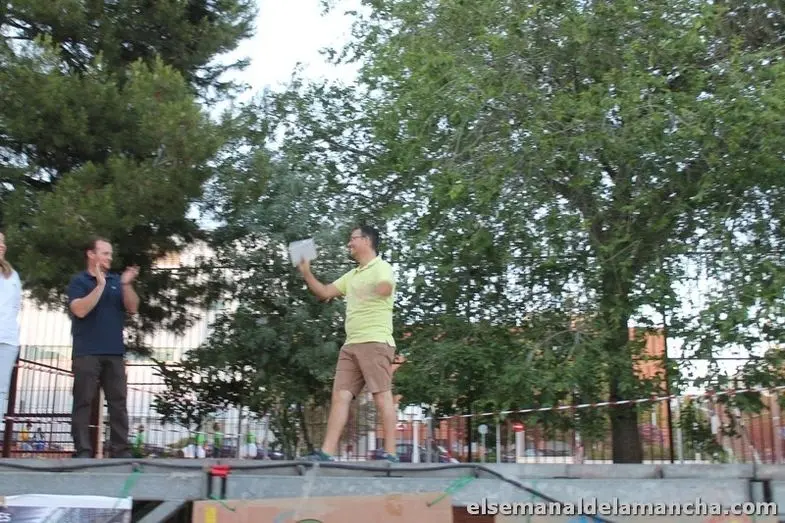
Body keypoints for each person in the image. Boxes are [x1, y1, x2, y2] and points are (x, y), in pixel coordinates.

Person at [297, 225, 399, 462]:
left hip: (375, 342)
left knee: (381, 396)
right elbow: (324, 292)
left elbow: (386, 286)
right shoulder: (352, 275)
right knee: (340, 396)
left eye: (353, 238)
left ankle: (391, 454)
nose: (349, 243)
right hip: (351, 345)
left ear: (366, 241)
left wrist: (381, 288)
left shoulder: (381, 267)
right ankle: (326, 453)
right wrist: (306, 272)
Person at [67, 236, 139, 458]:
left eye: (110, 254)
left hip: (114, 352)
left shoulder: (117, 281)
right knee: (83, 402)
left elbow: (133, 308)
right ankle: (83, 450)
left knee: (118, 402)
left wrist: (126, 284)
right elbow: (80, 310)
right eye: (105, 253)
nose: (110, 258)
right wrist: (100, 285)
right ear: (91, 254)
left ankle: (120, 450)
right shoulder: (79, 281)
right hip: (86, 352)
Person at [0, 232, 22, 435]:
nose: (1, 245)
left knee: (1, 389)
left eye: (3, 242)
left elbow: (16, 305)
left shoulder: (12, 275)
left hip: (7, 339)